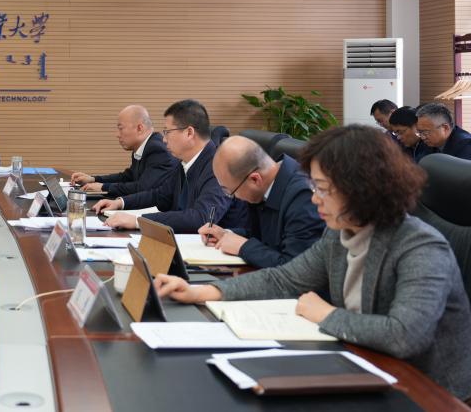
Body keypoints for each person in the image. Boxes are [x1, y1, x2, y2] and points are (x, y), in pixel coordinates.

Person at [154, 125, 471, 400]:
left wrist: (326, 314)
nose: (315, 198)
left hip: (427, 391)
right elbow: (285, 279)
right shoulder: (342, 232)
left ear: (362, 189)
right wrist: (202, 292)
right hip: (365, 363)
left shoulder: (420, 247)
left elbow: (404, 335)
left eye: (323, 189)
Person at [97, 99, 248, 233]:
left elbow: (201, 217)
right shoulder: (185, 163)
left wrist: (138, 221)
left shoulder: (219, 166)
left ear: (189, 133)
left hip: (217, 252)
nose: (163, 140)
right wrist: (120, 203)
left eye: (167, 132)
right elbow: (160, 196)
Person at [197, 136, 323, 268]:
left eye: (231, 191)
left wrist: (243, 247)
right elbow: (262, 237)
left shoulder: (304, 197)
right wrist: (226, 235)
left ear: (255, 180)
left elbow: (295, 268)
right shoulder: (264, 187)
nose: (234, 197)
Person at [70, 105, 177, 197]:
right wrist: (93, 179)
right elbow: (128, 177)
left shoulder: (157, 149)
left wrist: (103, 187)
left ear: (140, 128)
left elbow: (143, 187)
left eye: (121, 128)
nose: (117, 134)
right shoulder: (143, 146)